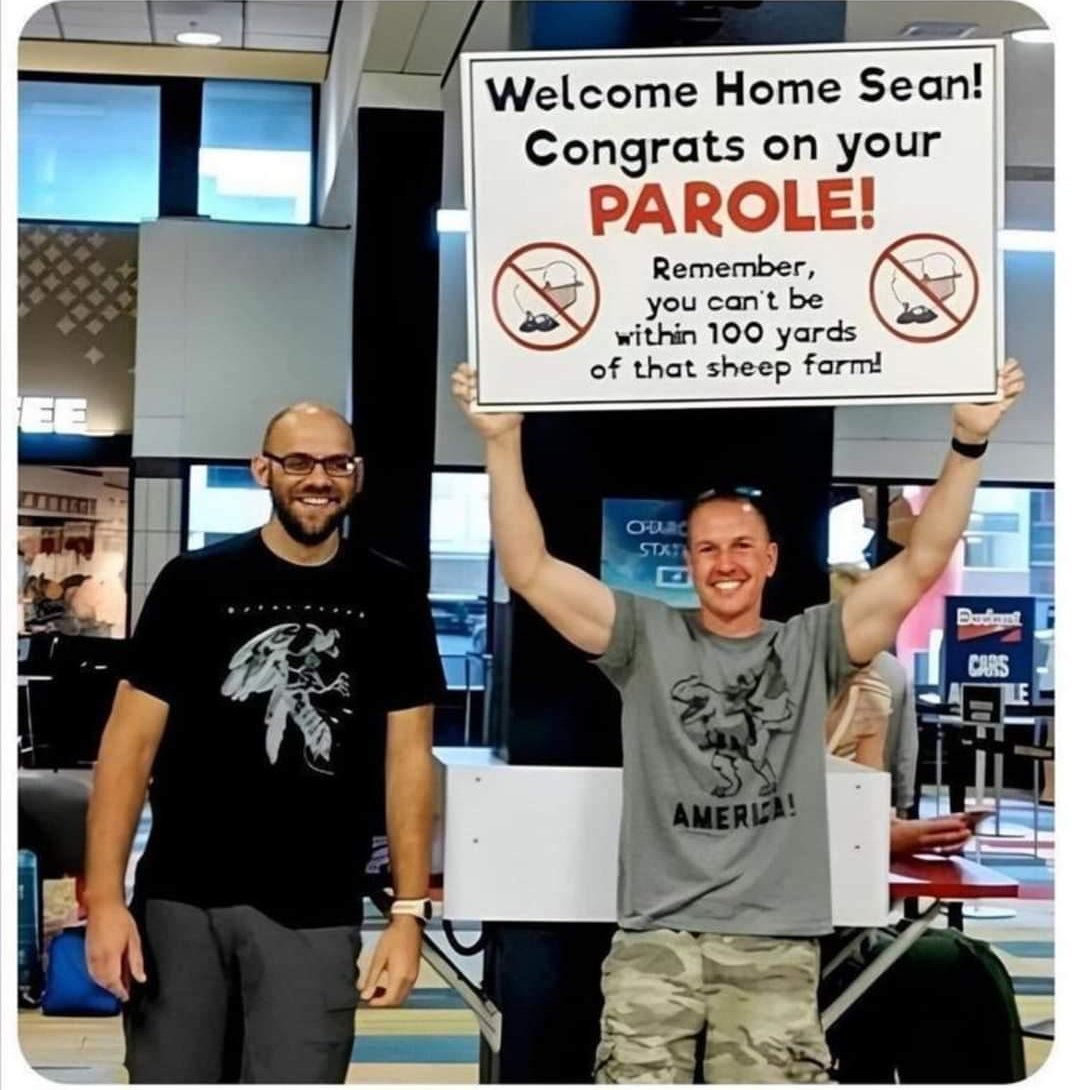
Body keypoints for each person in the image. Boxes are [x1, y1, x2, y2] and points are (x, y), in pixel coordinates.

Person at [452, 359, 1024, 1084]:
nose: (726, 562)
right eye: (708, 547)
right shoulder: (645, 636)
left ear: (772, 559)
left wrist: (967, 445)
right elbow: (529, 568)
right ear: (688, 561)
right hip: (656, 937)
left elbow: (924, 561)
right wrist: (501, 442)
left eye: (742, 545)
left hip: (775, 942)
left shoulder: (812, 643)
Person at [83, 403, 444, 1084]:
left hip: (317, 907)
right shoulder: (193, 584)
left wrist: (407, 913)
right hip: (182, 902)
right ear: (263, 470)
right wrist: (104, 901)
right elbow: (126, 752)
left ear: (356, 476)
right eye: (299, 461)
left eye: (337, 463)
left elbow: (408, 763)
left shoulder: (391, 593)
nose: (319, 478)